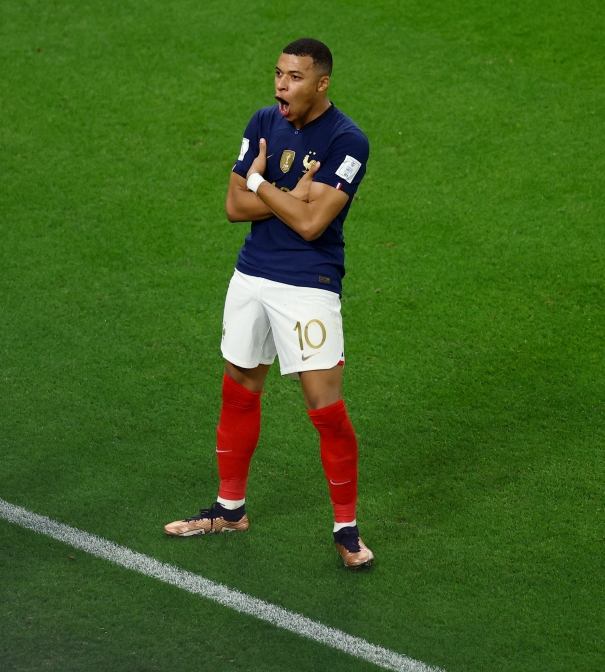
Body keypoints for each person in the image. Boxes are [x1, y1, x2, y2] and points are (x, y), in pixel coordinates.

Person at [163, 39, 373, 568]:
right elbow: (234, 207)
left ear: (321, 83)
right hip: (251, 277)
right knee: (238, 391)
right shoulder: (262, 120)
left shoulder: (348, 142)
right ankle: (229, 508)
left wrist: (260, 180)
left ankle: (346, 530)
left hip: (309, 283)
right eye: (278, 74)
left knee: (326, 411)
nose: (281, 86)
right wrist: (290, 193)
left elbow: (311, 223)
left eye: (295, 77)